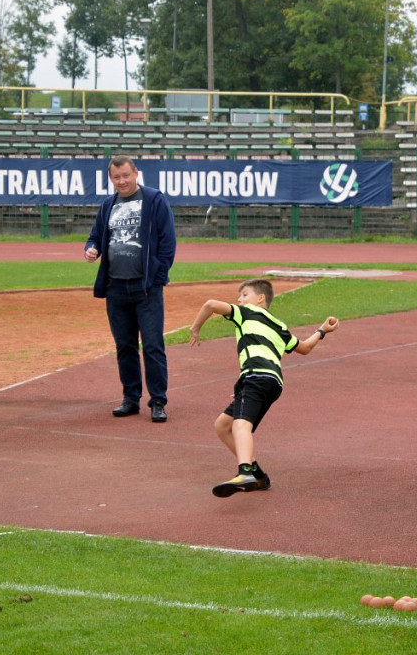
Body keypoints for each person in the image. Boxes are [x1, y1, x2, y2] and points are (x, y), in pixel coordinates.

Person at [189, 279, 339, 497]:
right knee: (223, 425)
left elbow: (211, 304)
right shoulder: (279, 326)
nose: (240, 300)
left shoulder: (246, 312)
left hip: (255, 377)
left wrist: (195, 328)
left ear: (260, 298)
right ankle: (258, 474)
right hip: (273, 382)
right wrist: (322, 330)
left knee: (240, 425)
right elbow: (304, 348)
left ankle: (245, 472)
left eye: (244, 295)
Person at [84, 155, 176, 423]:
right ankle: (131, 398)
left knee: (152, 346)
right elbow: (95, 236)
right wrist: (91, 249)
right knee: (124, 346)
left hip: (146, 288)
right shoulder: (108, 205)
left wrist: (157, 277)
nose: (122, 181)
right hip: (115, 288)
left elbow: (167, 242)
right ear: (111, 179)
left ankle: (158, 401)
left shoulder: (154, 200)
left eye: (126, 175)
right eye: (116, 177)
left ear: (136, 173)